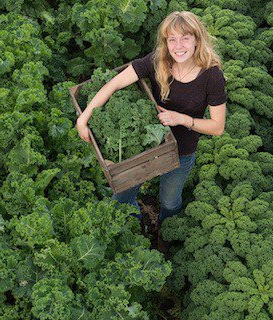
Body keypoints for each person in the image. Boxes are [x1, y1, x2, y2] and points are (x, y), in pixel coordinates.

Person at [76, 11, 227, 224]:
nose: (179, 45)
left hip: (181, 150)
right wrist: (83, 118)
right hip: (143, 148)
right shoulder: (158, 61)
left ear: (196, 39)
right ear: (165, 42)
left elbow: (217, 127)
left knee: (169, 202)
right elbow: (115, 83)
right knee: (122, 197)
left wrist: (181, 119)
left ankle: (165, 232)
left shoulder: (212, 76)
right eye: (172, 39)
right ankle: (135, 224)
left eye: (185, 38)